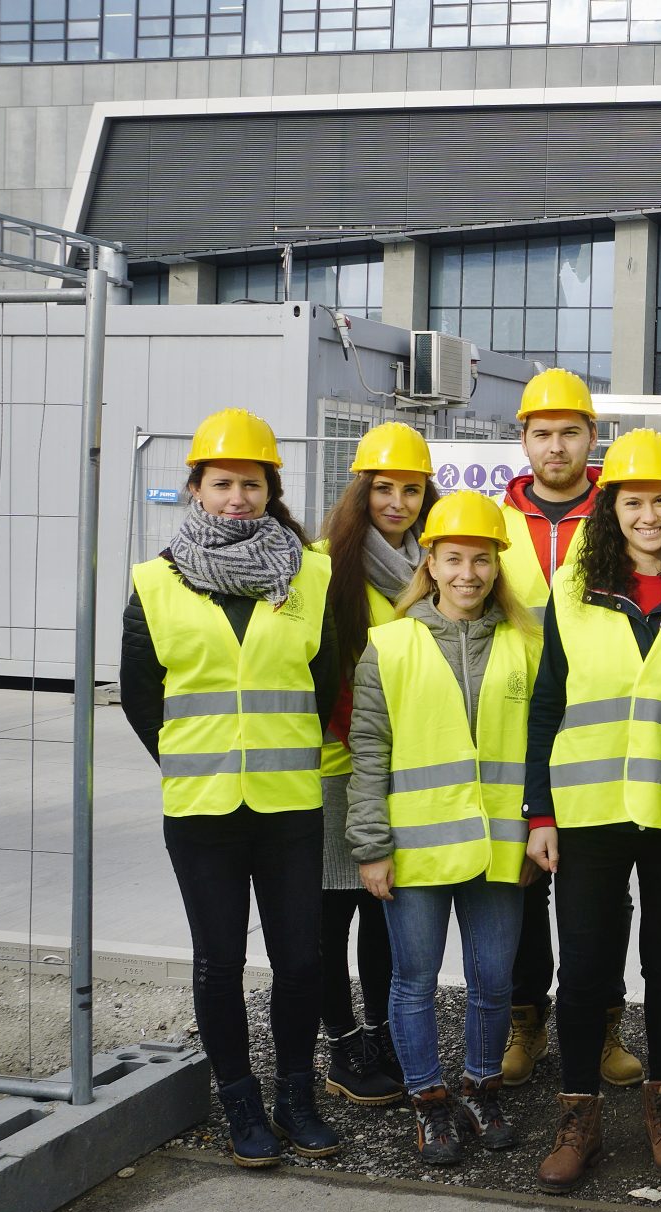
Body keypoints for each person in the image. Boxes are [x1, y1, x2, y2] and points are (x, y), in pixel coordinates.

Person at [120, 407, 341, 1169]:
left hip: (289, 806)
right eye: (222, 483)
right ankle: (241, 1102)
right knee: (218, 962)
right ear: (196, 488)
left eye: (252, 484)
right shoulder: (155, 581)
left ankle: (296, 1098)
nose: (237, 497)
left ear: (271, 490)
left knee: (301, 961)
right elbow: (141, 697)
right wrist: (191, 757)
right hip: (202, 808)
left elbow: (324, 680)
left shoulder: (309, 573)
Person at [523, 429, 661, 1191]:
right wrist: (540, 813)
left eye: (660, 501)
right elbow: (547, 703)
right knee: (585, 969)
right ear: (611, 509)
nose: (648, 515)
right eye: (632, 502)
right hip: (588, 808)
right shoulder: (573, 588)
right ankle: (579, 1116)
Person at [347, 490, 542, 1166]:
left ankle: (482, 1090)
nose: (468, 573)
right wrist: (371, 847)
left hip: (499, 848)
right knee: (413, 981)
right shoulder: (389, 645)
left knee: (495, 982)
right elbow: (368, 753)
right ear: (428, 563)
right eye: (453, 558)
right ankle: (429, 1102)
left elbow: (541, 747)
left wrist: (536, 831)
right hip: (415, 849)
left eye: (481, 560)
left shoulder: (525, 644)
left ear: (497, 566)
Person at [496, 368, 640, 1095]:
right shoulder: (493, 523)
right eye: (543, 434)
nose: (556, 447)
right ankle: (526, 1019)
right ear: (523, 439)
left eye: (570, 433)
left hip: (595, 729)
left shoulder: (621, 518)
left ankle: (606, 1019)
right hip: (508, 724)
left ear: (592, 437)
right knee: (522, 884)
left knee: (601, 896)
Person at [313, 421, 439, 1108]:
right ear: (360, 491)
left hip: (404, 766)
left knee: (382, 910)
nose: (397, 502)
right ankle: (341, 1044)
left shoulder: (431, 565)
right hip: (339, 765)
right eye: (384, 488)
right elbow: (321, 668)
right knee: (334, 912)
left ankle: (381, 1033)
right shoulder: (327, 564)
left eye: (411, 490)